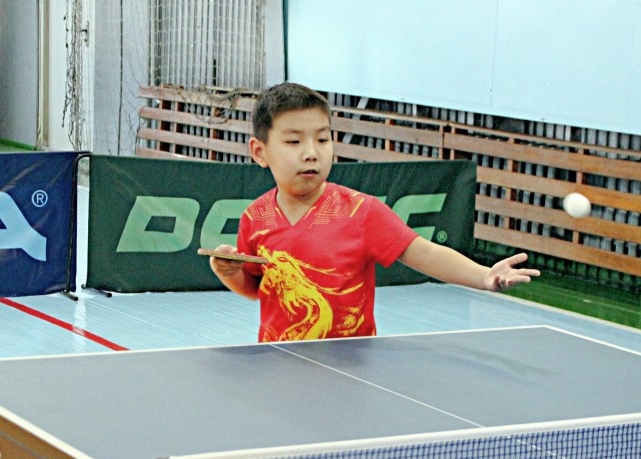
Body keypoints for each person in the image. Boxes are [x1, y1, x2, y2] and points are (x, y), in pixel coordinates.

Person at [209, 82, 540, 342]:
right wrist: (229, 273)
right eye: (294, 142)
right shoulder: (256, 217)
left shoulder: (360, 211)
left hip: (350, 367)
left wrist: (483, 275)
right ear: (260, 151)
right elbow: (257, 288)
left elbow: (424, 253)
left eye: (322, 140)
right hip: (278, 365)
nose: (311, 153)